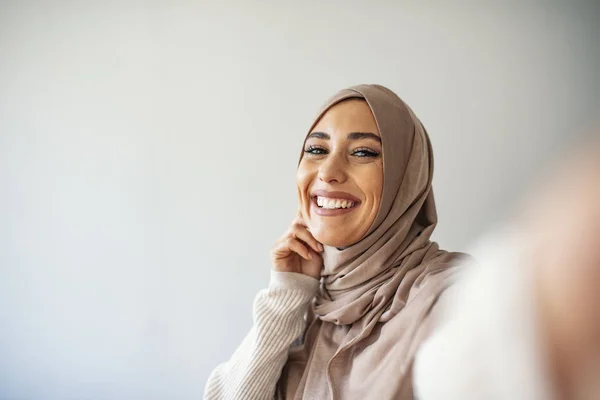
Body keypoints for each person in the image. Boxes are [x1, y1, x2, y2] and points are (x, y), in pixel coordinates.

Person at [204, 84, 469, 399]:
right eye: (316, 150)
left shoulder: (451, 298)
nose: (328, 172)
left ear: (405, 177)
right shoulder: (310, 307)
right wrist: (286, 294)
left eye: (363, 152)